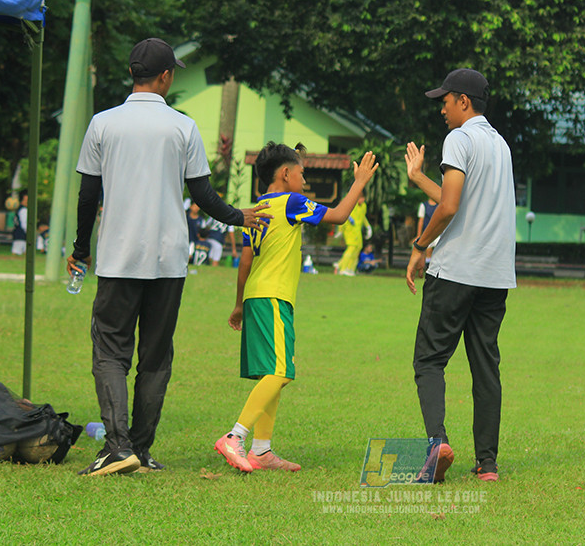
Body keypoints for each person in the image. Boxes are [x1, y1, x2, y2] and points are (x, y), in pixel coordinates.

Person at [68, 37, 271, 477]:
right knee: (156, 358)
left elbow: (88, 196)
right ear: (164, 76)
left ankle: (118, 447)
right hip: (168, 262)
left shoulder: (102, 123)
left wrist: (80, 250)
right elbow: (202, 195)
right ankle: (139, 450)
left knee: (110, 352)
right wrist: (240, 216)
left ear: (131, 75)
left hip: (119, 259)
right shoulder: (183, 127)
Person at [214, 142, 378, 473]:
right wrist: (359, 181)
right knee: (280, 372)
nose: (305, 182)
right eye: (302, 174)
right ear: (285, 174)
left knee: (273, 372)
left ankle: (261, 450)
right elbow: (339, 216)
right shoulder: (290, 202)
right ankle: (236, 436)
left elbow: (245, 260)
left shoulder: (258, 207)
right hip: (273, 297)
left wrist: (238, 303)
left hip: (259, 297)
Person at [404, 68, 516, 483]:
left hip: (455, 271)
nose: (442, 110)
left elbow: (450, 208)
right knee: (486, 365)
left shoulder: (460, 138)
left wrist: (419, 246)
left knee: (429, 360)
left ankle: (438, 444)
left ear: (463, 102)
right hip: (495, 273)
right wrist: (418, 178)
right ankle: (487, 464)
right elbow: (459, 200)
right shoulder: (500, 145)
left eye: (445, 101)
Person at [336, 194, 370, 276]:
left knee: (358, 247)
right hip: (349, 229)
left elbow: (363, 217)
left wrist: (368, 226)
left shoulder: (363, 206)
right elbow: (342, 213)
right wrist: (340, 230)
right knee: (352, 247)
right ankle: (342, 267)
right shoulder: (351, 203)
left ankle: (350, 268)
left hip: (357, 230)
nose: (362, 200)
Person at [416, 196, 439, 264]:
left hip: (438, 233)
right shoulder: (424, 205)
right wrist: (419, 235)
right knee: (428, 251)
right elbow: (421, 221)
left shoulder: (439, 205)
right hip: (427, 232)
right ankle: (427, 266)